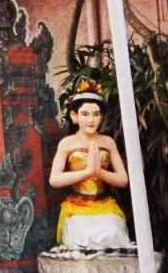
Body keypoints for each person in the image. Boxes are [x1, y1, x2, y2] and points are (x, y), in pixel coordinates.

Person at [48, 78, 131, 248]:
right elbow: (54, 180)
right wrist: (87, 172)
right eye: (85, 114)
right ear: (74, 116)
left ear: (101, 117)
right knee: (85, 235)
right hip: (77, 207)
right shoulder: (67, 143)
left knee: (114, 231)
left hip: (105, 205)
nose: (91, 120)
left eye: (96, 114)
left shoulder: (107, 142)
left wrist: (99, 172)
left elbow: (123, 180)